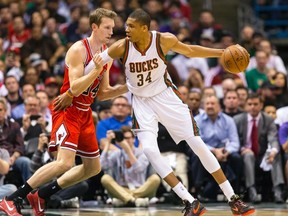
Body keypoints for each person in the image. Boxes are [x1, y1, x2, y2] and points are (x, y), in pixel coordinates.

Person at [85, 9, 255, 216]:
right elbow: (92, 66)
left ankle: (233, 199)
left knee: (197, 145)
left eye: (131, 26)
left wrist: (222, 53)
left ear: (144, 28)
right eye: (126, 25)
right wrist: (78, 81)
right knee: (149, 150)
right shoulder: (121, 47)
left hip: (166, 97)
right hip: (141, 103)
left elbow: (190, 50)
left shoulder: (163, 40)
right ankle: (190, 201)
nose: (126, 29)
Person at [0, 8, 128, 216]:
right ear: (94, 27)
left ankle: (42, 194)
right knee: (64, 163)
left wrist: (127, 87)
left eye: (112, 28)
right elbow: (74, 88)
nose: (111, 31)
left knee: (93, 168)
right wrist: (96, 68)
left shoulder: (106, 54)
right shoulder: (79, 49)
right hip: (68, 109)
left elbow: (103, 94)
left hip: (85, 113)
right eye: (107, 27)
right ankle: (12, 199)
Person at [233, 93, 285, 203]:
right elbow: (234, 140)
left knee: (276, 155)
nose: (253, 107)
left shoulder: (268, 120)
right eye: (250, 104)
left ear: (261, 105)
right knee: (249, 155)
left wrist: (273, 151)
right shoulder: (237, 120)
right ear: (246, 105)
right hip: (245, 154)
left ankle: (277, 191)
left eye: (255, 104)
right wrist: (242, 149)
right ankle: (252, 191)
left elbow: (273, 139)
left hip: (263, 155)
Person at [100, 126, 160, 207]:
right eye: (124, 138)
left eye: (128, 138)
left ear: (133, 139)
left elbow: (139, 169)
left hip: (141, 189)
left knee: (155, 178)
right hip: (121, 189)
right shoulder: (118, 154)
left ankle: (126, 199)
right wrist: (108, 142)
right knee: (105, 178)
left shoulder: (142, 153)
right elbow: (102, 165)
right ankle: (134, 200)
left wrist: (128, 150)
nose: (126, 141)